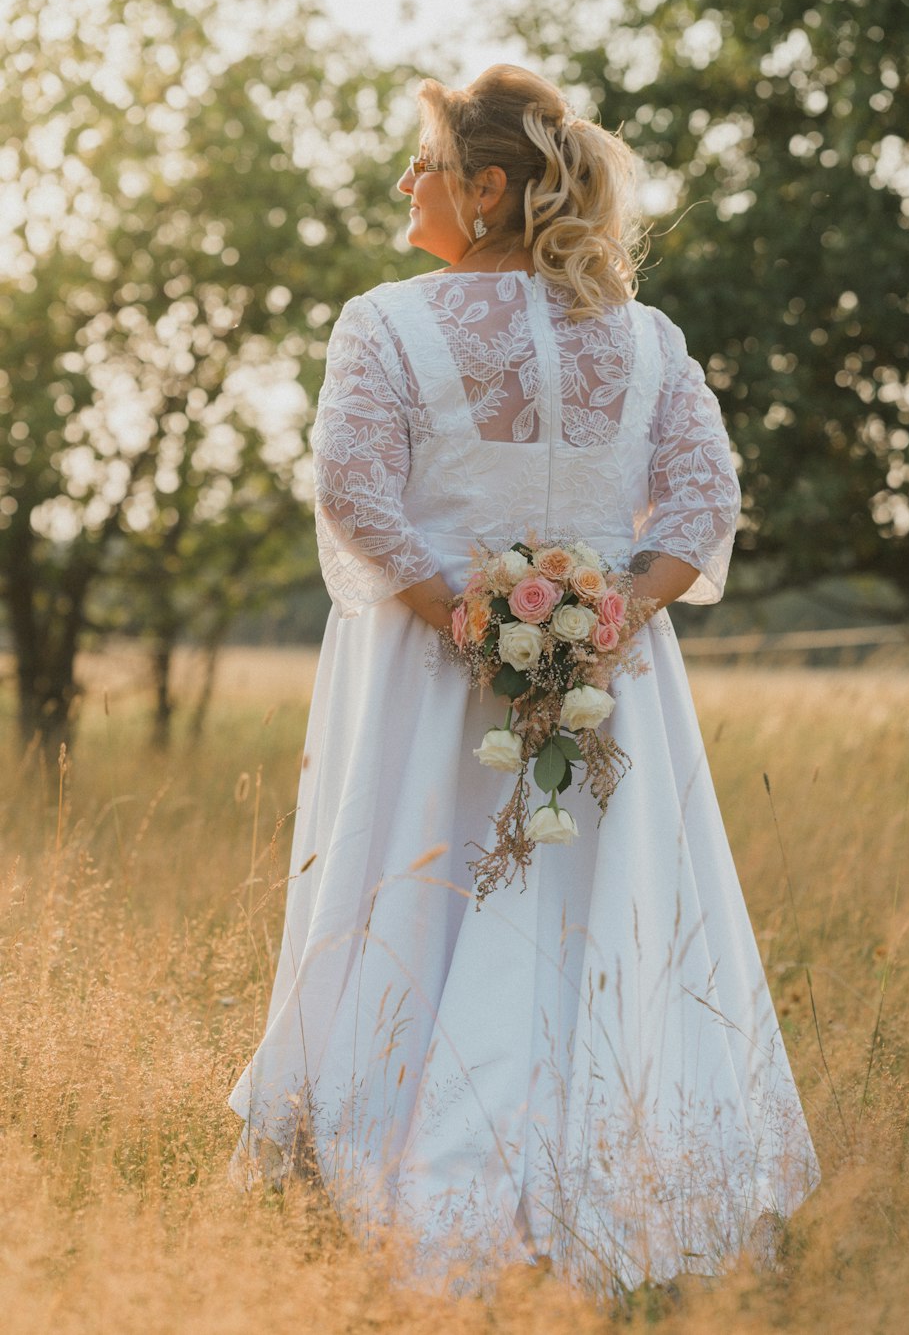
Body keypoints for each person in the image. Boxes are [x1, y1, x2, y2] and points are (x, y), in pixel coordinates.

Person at [227, 63, 820, 1298]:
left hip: (432, 680)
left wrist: (470, 618)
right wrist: (603, 619)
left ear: (487, 190)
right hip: (611, 679)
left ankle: (404, 1199)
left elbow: (353, 493)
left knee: (416, 896)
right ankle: (610, 1190)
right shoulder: (645, 338)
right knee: (592, 915)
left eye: (426, 165)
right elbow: (708, 499)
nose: (407, 182)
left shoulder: (385, 323)